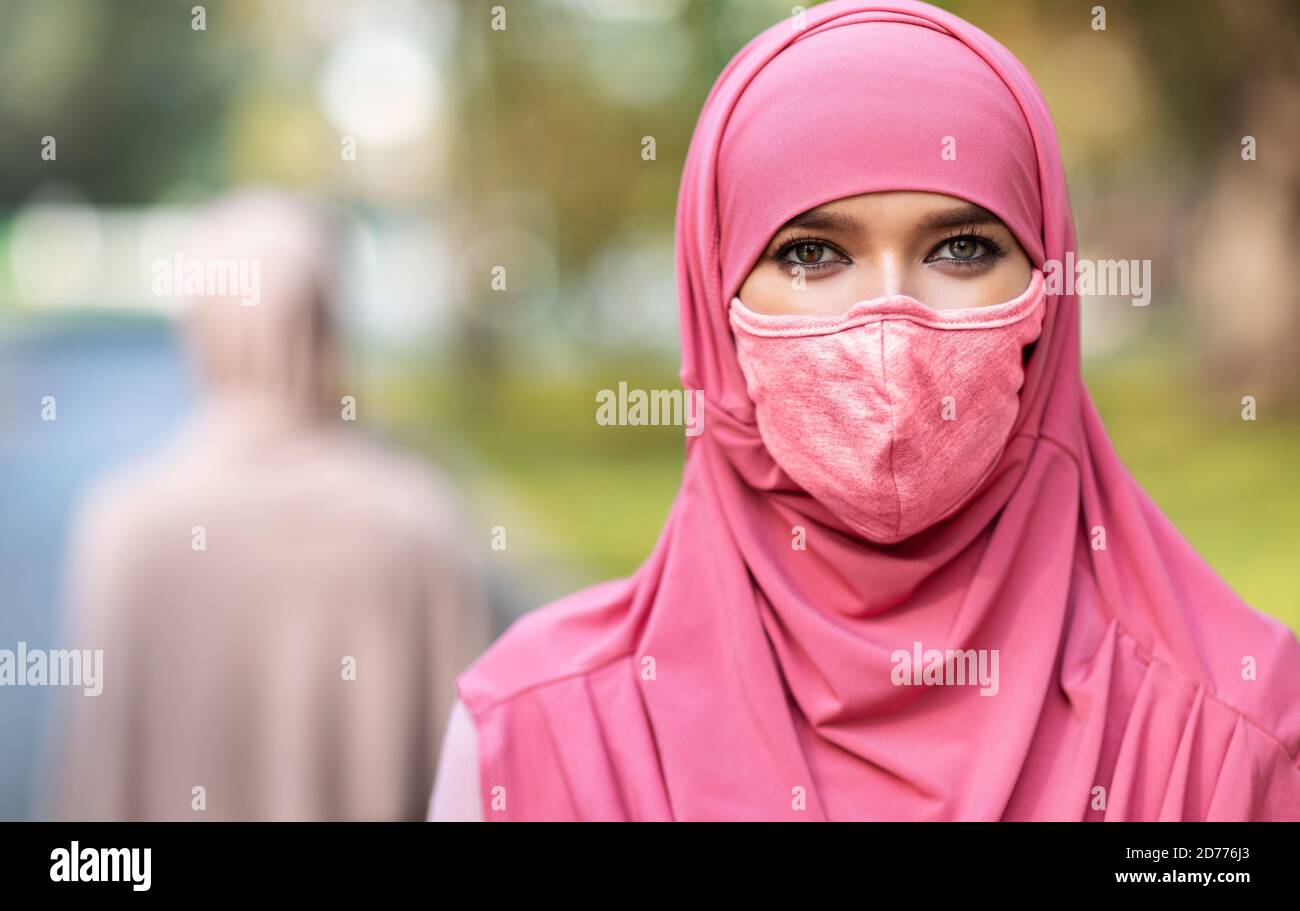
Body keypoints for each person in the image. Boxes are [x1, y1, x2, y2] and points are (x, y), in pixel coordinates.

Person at [430, 0, 1300, 821]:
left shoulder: (1232, 734)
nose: (891, 316)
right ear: (714, 299)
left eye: (961, 248)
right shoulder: (536, 736)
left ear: (1048, 295)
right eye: (812, 253)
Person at [45, 188, 491, 821]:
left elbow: (97, 784)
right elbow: (471, 780)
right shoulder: (418, 522)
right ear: (330, 323)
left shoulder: (129, 523)